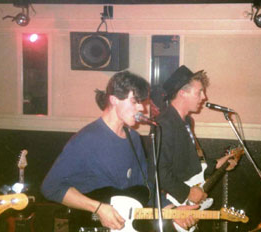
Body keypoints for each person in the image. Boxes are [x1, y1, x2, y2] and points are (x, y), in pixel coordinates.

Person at [41, 71, 196, 231]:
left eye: (141, 102)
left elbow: (146, 185)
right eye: (135, 101)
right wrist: (98, 208)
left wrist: (172, 210)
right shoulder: (87, 139)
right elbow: (51, 187)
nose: (141, 108)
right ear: (114, 99)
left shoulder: (133, 138)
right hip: (93, 226)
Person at [156, 65, 238, 231]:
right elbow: (159, 171)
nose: (204, 97)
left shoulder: (186, 122)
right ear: (182, 93)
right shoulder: (164, 124)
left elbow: (189, 163)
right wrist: (187, 192)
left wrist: (218, 162)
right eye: (199, 92)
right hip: (173, 203)